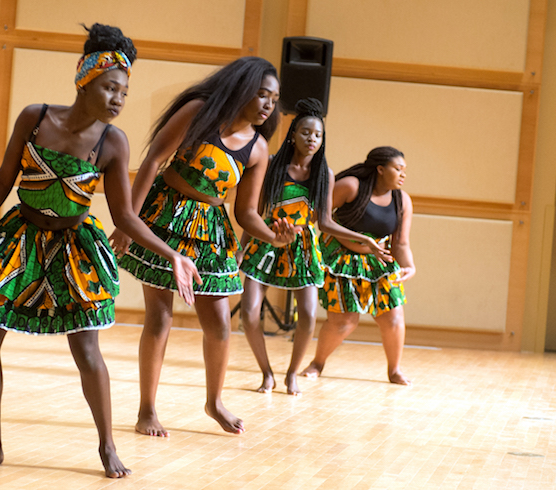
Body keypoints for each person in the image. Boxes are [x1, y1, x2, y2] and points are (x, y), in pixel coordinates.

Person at [0, 24, 201, 478]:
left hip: (74, 249)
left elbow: (125, 217)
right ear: (84, 79)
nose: (119, 98)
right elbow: (4, 180)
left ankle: (107, 446)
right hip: (20, 239)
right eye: (110, 87)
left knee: (86, 351)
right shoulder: (36, 117)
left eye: (124, 91)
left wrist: (173, 255)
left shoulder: (113, 142)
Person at [111, 57, 297, 437]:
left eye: (273, 99)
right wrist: (127, 221)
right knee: (159, 317)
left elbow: (245, 212)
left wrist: (274, 238)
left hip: (211, 231)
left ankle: (214, 402)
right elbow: (154, 160)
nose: (267, 104)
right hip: (165, 216)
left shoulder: (259, 149)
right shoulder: (201, 113)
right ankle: (147, 409)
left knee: (220, 326)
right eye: (261, 94)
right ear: (243, 89)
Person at [238, 98, 391, 395]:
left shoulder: (325, 175)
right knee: (248, 312)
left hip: (304, 249)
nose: (312, 139)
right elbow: (253, 211)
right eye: (306, 132)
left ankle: (292, 373)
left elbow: (325, 223)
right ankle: (266, 372)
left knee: (308, 314)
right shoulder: (270, 165)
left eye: (318, 135)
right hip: (266, 243)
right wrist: (243, 246)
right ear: (293, 134)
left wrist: (367, 240)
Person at [300, 146, 415, 385]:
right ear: (381, 169)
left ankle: (394, 370)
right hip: (340, 259)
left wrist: (409, 266)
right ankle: (317, 363)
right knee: (344, 322)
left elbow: (401, 242)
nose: (403, 174)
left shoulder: (401, 200)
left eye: (405, 170)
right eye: (398, 168)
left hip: (379, 262)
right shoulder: (351, 186)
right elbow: (321, 218)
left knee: (393, 317)